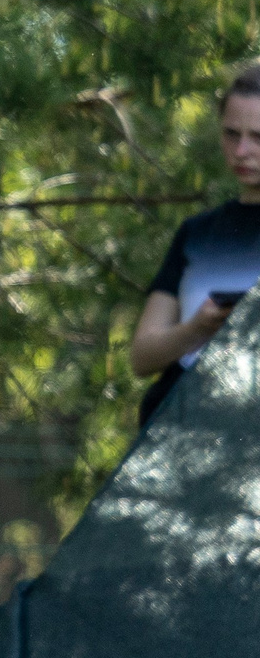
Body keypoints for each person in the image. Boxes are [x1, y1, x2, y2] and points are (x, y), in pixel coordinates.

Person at [129, 63, 260, 427]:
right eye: (232, 134)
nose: (242, 150)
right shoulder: (197, 234)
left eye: (258, 137)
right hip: (176, 436)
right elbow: (142, 356)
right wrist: (196, 330)